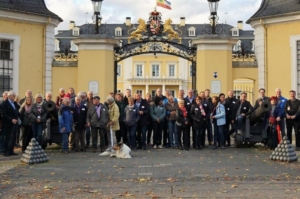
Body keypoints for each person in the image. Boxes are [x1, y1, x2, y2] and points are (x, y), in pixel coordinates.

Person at [1, 91, 20, 156]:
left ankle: (11, 150)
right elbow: (4, 114)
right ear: (9, 96)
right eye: (13, 96)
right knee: (8, 137)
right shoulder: (4, 104)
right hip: (8, 123)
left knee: (13, 137)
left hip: (15, 123)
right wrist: (11, 119)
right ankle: (6, 151)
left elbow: (17, 111)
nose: (14, 97)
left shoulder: (15, 103)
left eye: (14, 96)